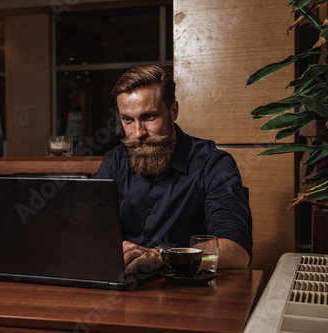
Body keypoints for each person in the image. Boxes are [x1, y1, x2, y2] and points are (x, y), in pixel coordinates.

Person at [94, 65, 253, 274]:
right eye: (128, 120)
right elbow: (87, 234)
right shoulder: (113, 163)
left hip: (190, 295)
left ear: (173, 111)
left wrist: (163, 257)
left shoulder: (214, 165)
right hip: (125, 292)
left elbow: (237, 251)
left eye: (149, 117)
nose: (138, 132)